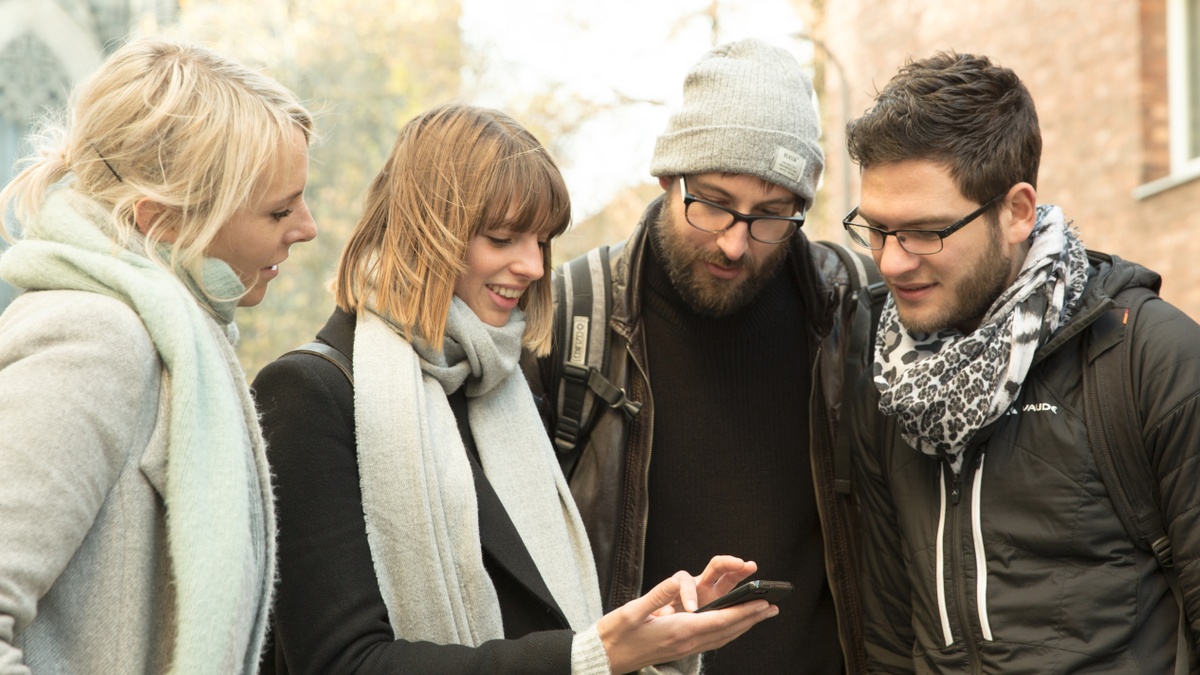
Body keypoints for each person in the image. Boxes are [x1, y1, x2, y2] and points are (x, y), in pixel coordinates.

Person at [251, 102, 776, 675]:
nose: (531, 266)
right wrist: (589, 656)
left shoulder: (505, 381)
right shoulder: (309, 394)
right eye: (502, 238)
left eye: (542, 241)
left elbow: (531, 619)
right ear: (425, 233)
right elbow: (342, 662)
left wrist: (646, 638)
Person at [844, 51, 1200, 672]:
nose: (892, 262)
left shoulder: (1148, 357)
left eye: (925, 232)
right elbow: (888, 641)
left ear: (1016, 212)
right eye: (875, 230)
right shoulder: (884, 374)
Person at [527, 38, 871, 673]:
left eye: (771, 216)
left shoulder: (856, 305)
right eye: (712, 203)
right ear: (666, 177)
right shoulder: (572, 312)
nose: (736, 244)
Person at [0, 37, 316, 673]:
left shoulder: (171, 335)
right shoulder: (95, 341)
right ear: (161, 220)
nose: (307, 226)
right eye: (279, 208)